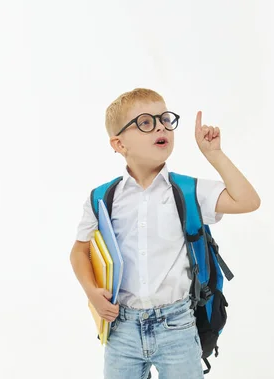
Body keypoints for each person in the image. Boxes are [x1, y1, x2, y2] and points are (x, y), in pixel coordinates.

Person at [69, 88, 260, 378]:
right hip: (122, 328)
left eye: (165, 120)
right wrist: (92, 293)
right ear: (119, 143)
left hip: (178, 327)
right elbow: (80, 251)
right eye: (145, 122)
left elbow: (248, 201)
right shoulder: (102, 197)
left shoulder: (188, 190)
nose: (160, 127)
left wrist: (214, 154)